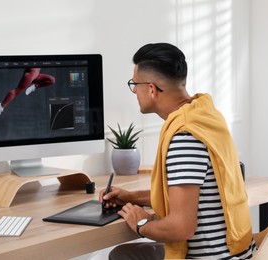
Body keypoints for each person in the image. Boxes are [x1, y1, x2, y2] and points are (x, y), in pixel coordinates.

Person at [99, 43, 257, 259]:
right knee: (124, 253)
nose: (134, 90)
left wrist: (141, 223)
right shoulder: (205, 116)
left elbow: (182, 228)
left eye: (135, 84)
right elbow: (184, 198)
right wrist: (131, 197)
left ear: (152, 89)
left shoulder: (184, 137)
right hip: (237, 251)